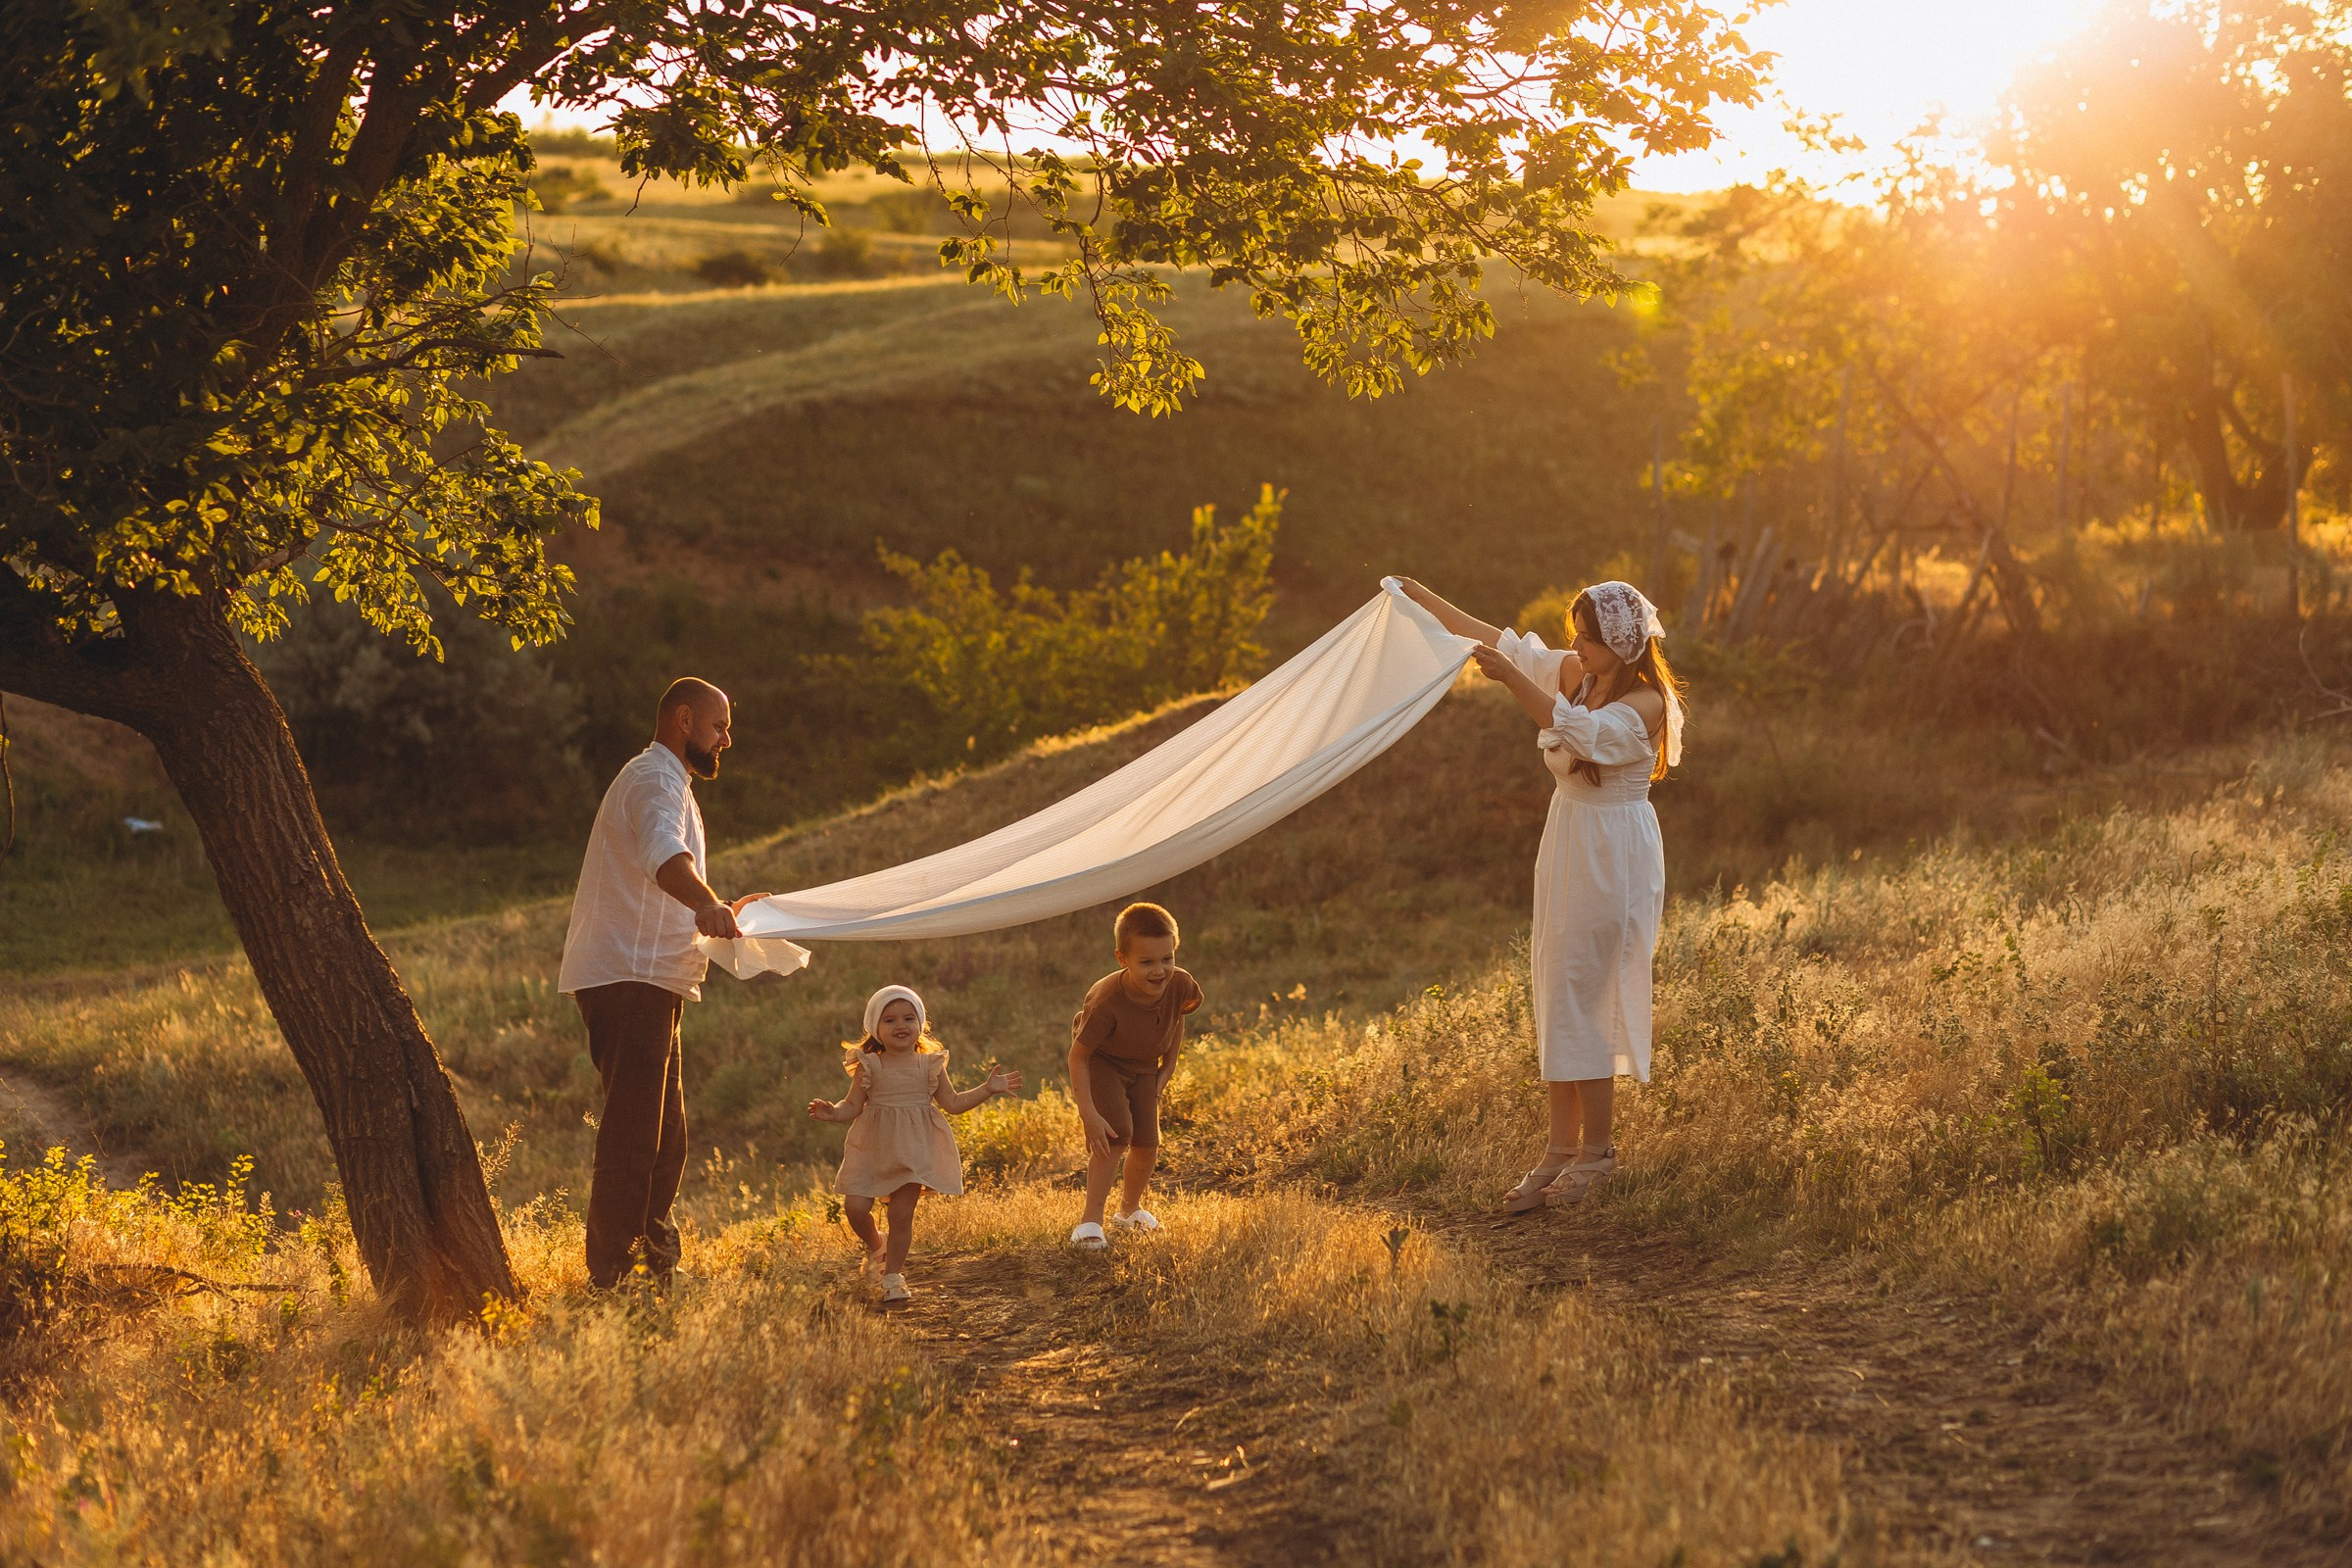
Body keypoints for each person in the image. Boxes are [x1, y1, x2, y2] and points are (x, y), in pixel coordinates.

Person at [1396, 578, 1686, 1210]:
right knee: (1558, 987)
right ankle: (1559, 1149)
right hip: (1569, 838)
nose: (1575, 645)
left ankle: (1597, 1152)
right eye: (1574, 634)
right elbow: (1500, 642)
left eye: (1587, 636)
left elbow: (1575, 731)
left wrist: (1510, 680)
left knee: (1590, 989)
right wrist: (1421, 592)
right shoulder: (1580, 674)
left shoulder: (1644, 704)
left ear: (1622, 642)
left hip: (1615, 850)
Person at [558, 677, 769, 1289]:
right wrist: (706, 902)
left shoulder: (670, 783)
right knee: (634, 1131)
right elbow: (663, 856)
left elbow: (674, 864)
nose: (727, 739)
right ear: (683, 719)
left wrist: (723, 906)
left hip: (651, 979)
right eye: (719, 726)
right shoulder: (653, 779)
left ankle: (651, 1262)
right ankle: (615, 1278)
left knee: (666, 1133)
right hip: (629, 977)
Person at [807, 985, 1021, 1302]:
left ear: (920, 1024)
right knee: (854, 1207)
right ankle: (877, 1244)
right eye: (890, 1020)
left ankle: (893, 1276)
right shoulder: (869, 1064)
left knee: (901, 1214)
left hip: (914, 1151)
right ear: (875, 1028)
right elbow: (852, 1105)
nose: (900, 1026)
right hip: (873, 1148)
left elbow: (953, 1102)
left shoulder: (930, 1064)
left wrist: (987, 1089)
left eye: (909, 1018)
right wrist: (833, 1112)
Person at [1065, 902, 1201, 1250]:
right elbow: (1078, 1055)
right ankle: (1089, 1224)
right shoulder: (1106, 1000)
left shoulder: (1179, 983)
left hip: (1144, 1066)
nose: (1160, 970)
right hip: (1103, 1063)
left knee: (1147, 1143)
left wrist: (1167, 1067)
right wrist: (1088, 1113)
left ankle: (1129, 1212)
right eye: (1147, 962)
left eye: (1167, 958)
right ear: (1122, 959)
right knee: (1115, 1136)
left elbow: (1178, 1016)